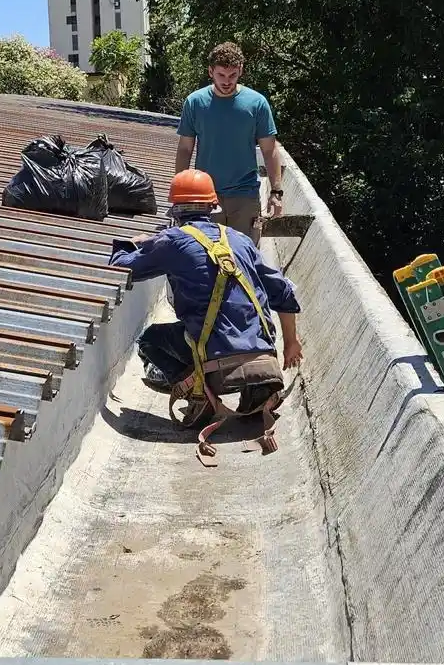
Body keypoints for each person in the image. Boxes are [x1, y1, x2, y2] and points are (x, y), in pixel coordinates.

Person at [109, 169, 303, 463]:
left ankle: (200, 394)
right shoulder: (239, 240)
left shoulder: (172, 241)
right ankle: (257, 387)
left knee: (149, 341)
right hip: (264, 352)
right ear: (214, 207)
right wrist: (291, 343)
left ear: (175, 210)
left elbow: (124, 267)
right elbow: (284, 293)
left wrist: (134, 244)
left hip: (213, 354)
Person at [175, 42, 284, 243]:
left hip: (245, 196)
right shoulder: (195, 102)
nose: (227, 81)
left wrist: (276, 192)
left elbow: (270, 151)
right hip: (205, 196)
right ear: (210, 71)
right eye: (221, 75)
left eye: (232, 75)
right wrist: (180, 194)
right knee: (207, 259)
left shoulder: (257, 103)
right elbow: (184, 149)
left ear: (240, 71)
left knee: (244, 259)